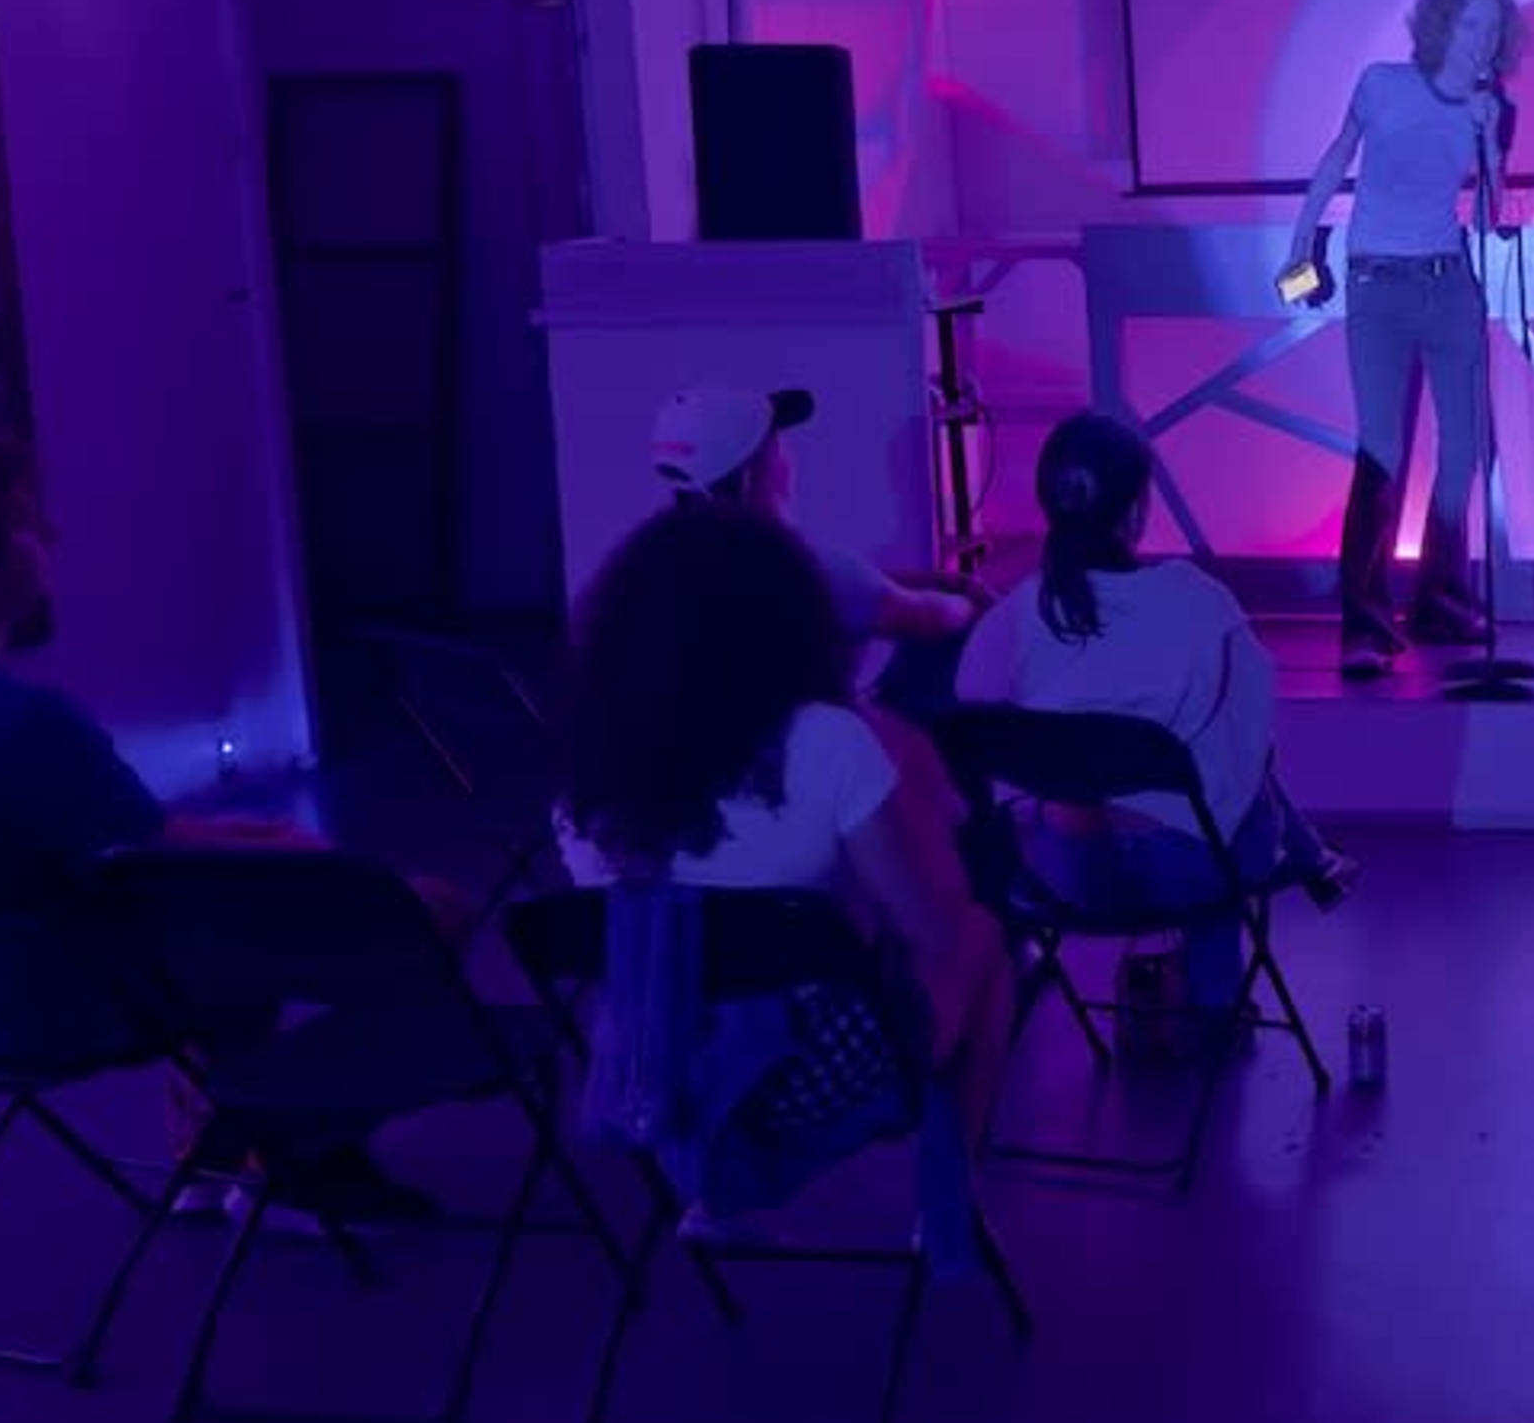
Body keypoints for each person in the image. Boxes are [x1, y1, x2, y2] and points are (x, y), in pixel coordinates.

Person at [0, 430, 431, 1219]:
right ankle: (300, 1159)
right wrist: (289, 846)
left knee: (218, 938)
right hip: (59, 1003)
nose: (50, 537)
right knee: (425, 915)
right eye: (26, 524)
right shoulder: (15, 721)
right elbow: (158, 856)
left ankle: (221, 1158)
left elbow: (122, 843)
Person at [553, 499, 1011, 1186]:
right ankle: (950, 1206)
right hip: (807, 1083)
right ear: (784, 618)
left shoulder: (588, 775)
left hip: (656, 1080)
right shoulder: (828, 741)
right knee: (977, 939)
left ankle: (705, 1202)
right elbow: (930, 933)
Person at [953, 411, 1352, 1052]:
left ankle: (1302, 868)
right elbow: (1254, 733)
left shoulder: (1012, 617)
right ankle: (1219, 999)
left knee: (1199, 782)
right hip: (1192, 871)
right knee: (1229, 789)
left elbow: (978, 736)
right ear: (1138, 509)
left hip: (1067, 874)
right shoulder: (1197, 602)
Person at [1284, 0, 1514, 675]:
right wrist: (1298, 255)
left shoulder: (1491, 107)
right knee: (1381, 446)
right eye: (1472, 24)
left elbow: (1494, 211)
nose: (1483, 41)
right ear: (1442, 22)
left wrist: (1486, 139)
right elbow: (1332, 164)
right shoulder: (1382, 84)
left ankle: (1440, 597)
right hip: (1378, 284)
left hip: (1449, 283)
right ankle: (1364, 619)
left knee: (1464, 446)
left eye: (1493, 29)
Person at [650, 381, 980, 657]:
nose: (789, 463)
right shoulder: (803, 569)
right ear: (751, 476)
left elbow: (857, 586)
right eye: (778, 449)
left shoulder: (669, 561)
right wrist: (971, 601)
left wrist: (942, 580)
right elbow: (929, 617)